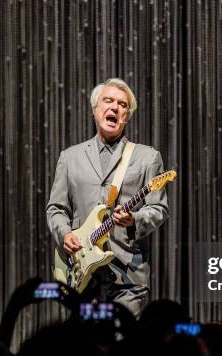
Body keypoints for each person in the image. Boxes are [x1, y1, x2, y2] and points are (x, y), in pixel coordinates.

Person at [46, 78, 169, 317]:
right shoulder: (70, 158)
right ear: (96, 109)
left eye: (122, 105)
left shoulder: (147, 157)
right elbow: (56, 209)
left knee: (119, 346)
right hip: (82, 272)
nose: (115, 108)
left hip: (127, 274)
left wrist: (133, 219)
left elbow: (158, 209)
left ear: (127, 116)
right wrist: (65, 234)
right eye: (108, 101)